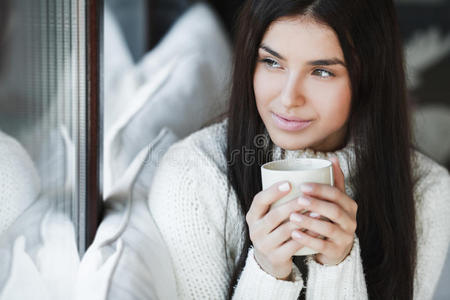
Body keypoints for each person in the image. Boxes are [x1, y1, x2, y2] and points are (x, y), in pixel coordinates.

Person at [148, 0, 450, 299]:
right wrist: (266, 271)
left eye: (321, 71)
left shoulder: (427, 192)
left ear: (369, 78)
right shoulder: (193, 175)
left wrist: (337, 266)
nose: (289, 98)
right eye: (272, 62)